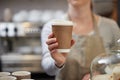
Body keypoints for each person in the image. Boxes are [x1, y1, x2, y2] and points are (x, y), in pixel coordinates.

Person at [41, 0, 120, 80]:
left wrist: (101, 75)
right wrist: (58, 63)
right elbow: (48, 70)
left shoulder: (111, 27)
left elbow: (118, 63)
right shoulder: (53, 27)